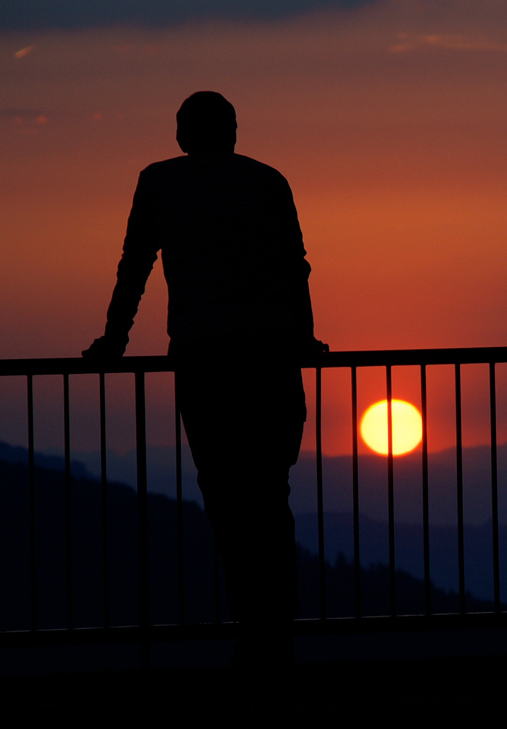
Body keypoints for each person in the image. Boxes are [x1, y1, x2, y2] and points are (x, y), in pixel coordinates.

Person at [83, 91, 326, 665]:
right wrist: (306, 337)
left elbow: (135, 265)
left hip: (207, 354)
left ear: (181, 135)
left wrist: (114, 342)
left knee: (224, 491)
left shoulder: (159, 181)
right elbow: (296, 266)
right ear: (235, 132)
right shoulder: (270, 181)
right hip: (273, 353)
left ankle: (255, 626)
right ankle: (278, 630)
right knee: (270, 491)